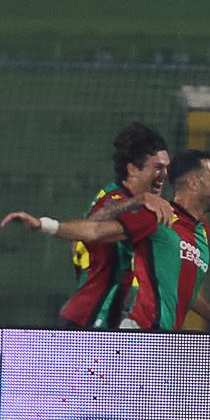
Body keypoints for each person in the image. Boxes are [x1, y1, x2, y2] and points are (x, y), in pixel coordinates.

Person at [2, 149, 210, 332]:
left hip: (164, 343)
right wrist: (42, 224)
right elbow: (97, 231)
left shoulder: (202, 231)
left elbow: (183, 286)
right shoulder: (158, 218)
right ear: (193, 183)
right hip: (138, 336)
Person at [59, 122, 173, 330]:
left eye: (167, 167)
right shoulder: (116, 199)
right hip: (94, 318)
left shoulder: (138, 205)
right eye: (158, 168)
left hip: (107, 317)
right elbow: (88, 231)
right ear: (132, 169)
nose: (165, 175)